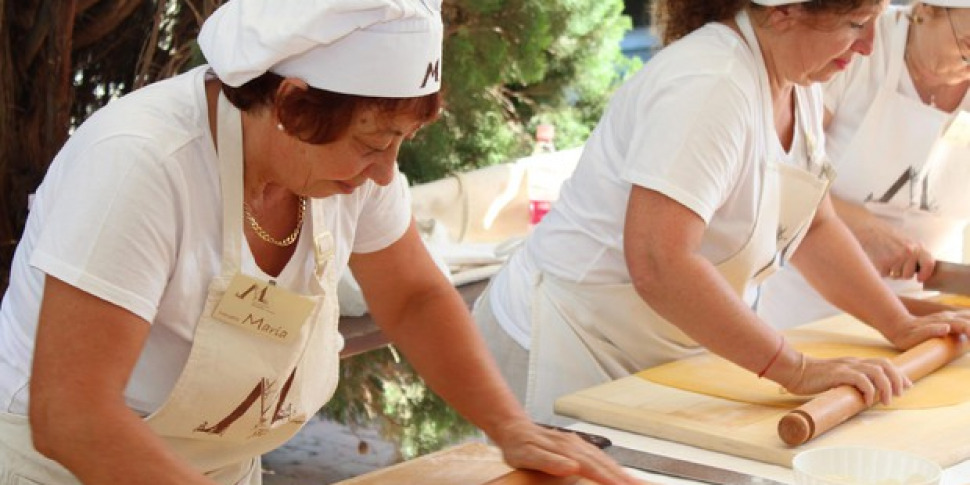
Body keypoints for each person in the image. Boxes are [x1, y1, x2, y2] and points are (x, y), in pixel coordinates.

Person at [0, 1, 640, 484]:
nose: (387, 173)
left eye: (399, 143)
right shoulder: (140, 165)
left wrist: (510, 427)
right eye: (372, 143)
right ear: (292, 103)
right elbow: (73, 416)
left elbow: (414, 296)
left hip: (218, 465)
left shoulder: (352, 164)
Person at [473, 0, 970, 426]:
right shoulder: (711, 84)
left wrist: (899, 324)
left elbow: (814, 227)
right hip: (564, 343)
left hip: (655, 353)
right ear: (783, 15)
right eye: (856, 24)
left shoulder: (799, 84)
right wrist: (796, 369)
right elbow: (660, 262)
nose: (867, 47)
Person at [759, 0, 970, 327]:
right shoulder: (854, 48)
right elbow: (776, 173)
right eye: (968, 45)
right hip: (814, 308)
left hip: (931, 308)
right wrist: (862, 227)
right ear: (925, 9)